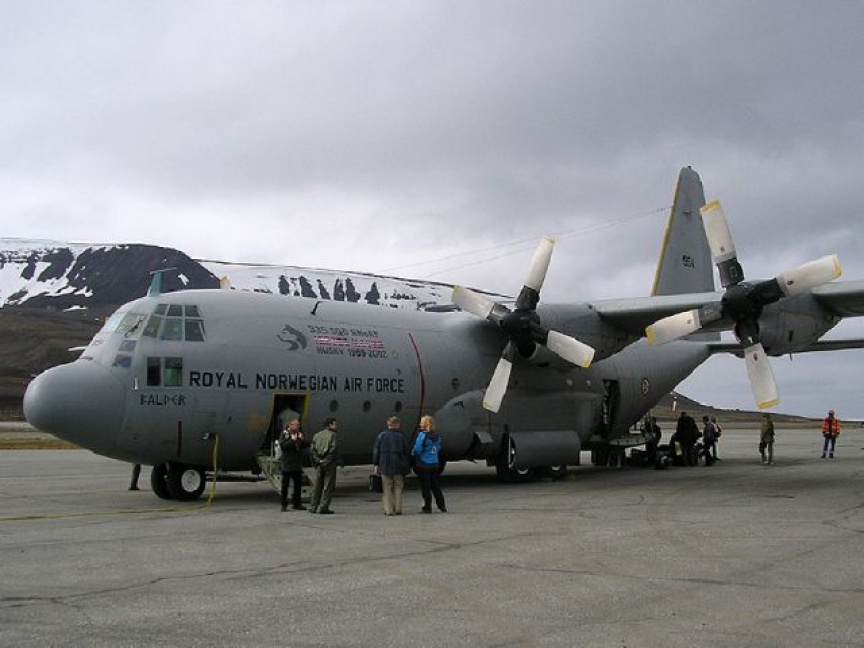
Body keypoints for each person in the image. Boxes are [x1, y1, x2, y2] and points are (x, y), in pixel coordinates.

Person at [373, 416, 411, 516]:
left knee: (387, 488)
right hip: (399, 465)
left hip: (385, 465)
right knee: (398, 487)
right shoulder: (401, 437)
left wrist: (376, 464)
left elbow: (376, 451)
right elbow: (407, 452)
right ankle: (398, 509)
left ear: (388, 424)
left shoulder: (381, 436)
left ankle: (389, 510)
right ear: (398, 424)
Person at [412, 414, 446, 513]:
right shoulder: (437, 436)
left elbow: (417, 449)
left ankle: (427, 506)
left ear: (425, 424)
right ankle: (442, 505)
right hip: (434, 463)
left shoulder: (422, 435)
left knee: (425, 486)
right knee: (435, 485)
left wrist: (413, 453)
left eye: (421, 422)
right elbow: (439, 447)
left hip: (424, 463)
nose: (420, 424)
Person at [309, 417, 339, 514]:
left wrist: (318, 460)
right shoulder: (333, 435)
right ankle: (323, 507)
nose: (336, 426)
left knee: (317, 486)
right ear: (330, 425)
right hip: (329, 464)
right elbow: (333, 449)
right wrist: (326, 460)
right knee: (328, 486)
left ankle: (313, 506)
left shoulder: (317, 435)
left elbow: (312, 450)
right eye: (335, 424)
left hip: (319, 463)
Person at [279, 419, 308, 512]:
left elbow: (306, 445)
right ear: (290, 425)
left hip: (297, 464)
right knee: (285, 486)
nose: (297, 426)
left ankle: (297, 503)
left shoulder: (299, 434)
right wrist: (293, 440)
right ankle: (284, 504)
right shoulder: (284, 434)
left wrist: (302, 440)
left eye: (298, 425)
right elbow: (283, 446)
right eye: (296, 425)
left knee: (298, 485)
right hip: (287, 464)